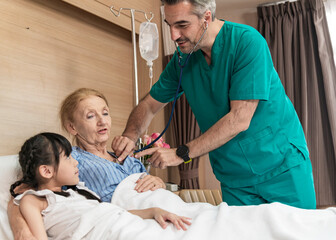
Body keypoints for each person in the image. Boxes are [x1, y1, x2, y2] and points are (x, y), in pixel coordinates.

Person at [114, 0, 316, 209]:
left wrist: (179, 153)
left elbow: (239, 119)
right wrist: (130, 135)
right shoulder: (183, 59)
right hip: (234, 177)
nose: (174, 36)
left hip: (280, 166)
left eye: (182, 25)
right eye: (169, 25)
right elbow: (148, 104)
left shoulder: (247, 42)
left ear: (207, 18)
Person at [7, 88, 166, 240]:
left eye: (105, 113)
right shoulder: (68, 162)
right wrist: (21, 230)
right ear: (72, 127)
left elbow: (156, 195)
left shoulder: (129, 159)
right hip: (125, 225)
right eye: (91, 116)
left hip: (158, 214)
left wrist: (159, 183)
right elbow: (21, 194)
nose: (102, 120)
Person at [10, 132, 191, 240]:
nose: (76, 163)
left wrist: (152, 211)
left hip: (125, 224)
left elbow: (111, 213)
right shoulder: (34, 200)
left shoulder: (81, 192)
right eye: (67, 157)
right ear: (46, 171)